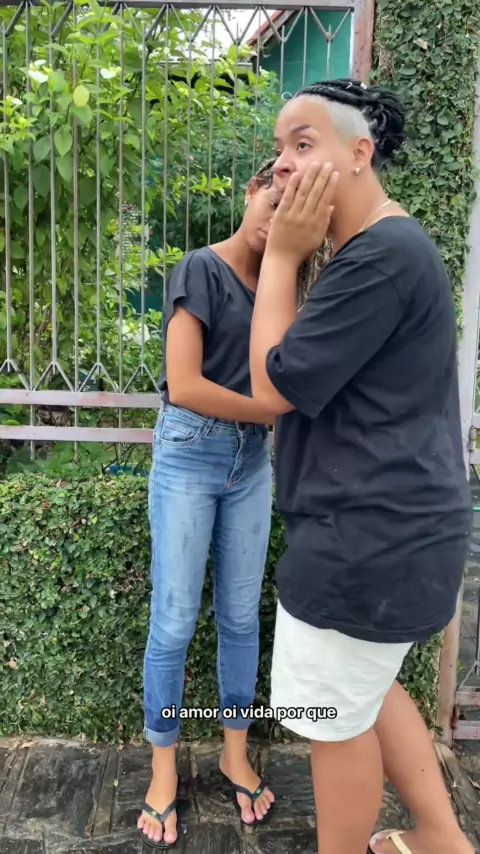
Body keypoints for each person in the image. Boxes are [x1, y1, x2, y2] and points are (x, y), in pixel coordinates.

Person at [249, 79, 473, 854]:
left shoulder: (379, 257)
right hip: (390, 533)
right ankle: (440, 836)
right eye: (279, 148)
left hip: (366, 541)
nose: (282, 164)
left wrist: (282, 257)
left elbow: (273, 386)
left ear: (359, 153)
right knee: (367, 696)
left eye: (303, 143)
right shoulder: (379, 249)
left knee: (331, 718)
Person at [137, 159, 320, 850]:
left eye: (293, 214)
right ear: (252, 192)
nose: (277, 220)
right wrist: (271, 413)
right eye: (274, 201)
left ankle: (233, 754)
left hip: (250, 463)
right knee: (175, 619)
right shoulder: (201, 269)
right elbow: (183, 384)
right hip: (191, 451)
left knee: (242, 617)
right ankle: (163, 768)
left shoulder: (285, 289)